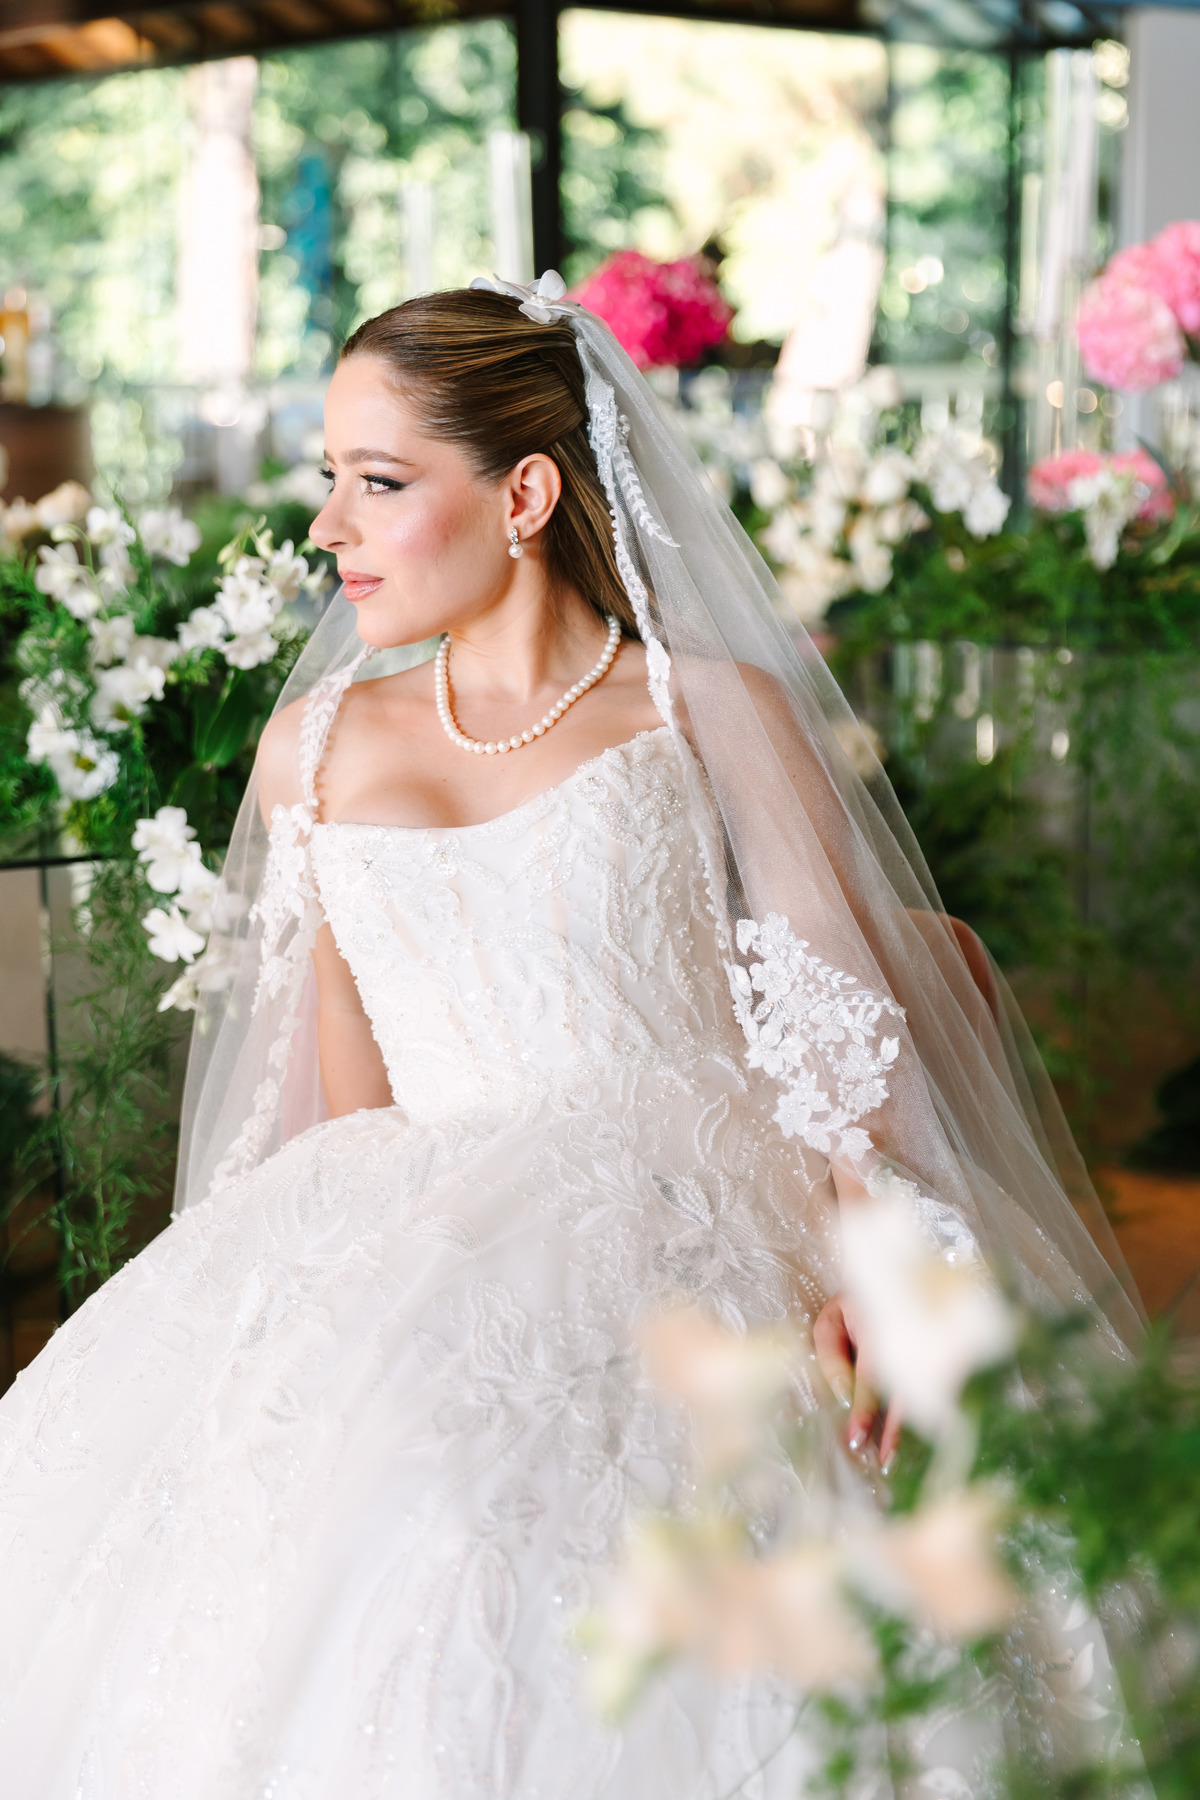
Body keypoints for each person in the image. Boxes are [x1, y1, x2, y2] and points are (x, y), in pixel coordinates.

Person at [0, 277, 1141, 1797]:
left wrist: (879, 1263)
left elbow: (833, 1026)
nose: (326, 528)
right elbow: (340, 1098)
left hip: (702, 1206)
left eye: (378, 483)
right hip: (426, 1218)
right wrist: (310, 1341)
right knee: (389, 1524)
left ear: (525, 492)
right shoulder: (313, 746)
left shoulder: (709, 708)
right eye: (327, 479)